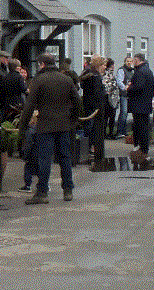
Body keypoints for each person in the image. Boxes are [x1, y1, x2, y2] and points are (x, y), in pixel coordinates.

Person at [18, 53, 83, 204]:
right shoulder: (66, 79)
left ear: (42, 64)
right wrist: (73, 120)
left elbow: (29, 106)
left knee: (44, 159)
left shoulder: (39, 80)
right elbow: (77, 102)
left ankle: (42, 192)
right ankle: (68, 190)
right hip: (64, 125)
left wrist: (22, 127)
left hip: (45, 125)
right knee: (65, 157)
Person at [78, 56, 109, 164]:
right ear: (98, 65)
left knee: (89, 126)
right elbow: (97, 93)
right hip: (94, 107)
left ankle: (89, 147)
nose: (105, 67)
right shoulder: (95, 77)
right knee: (91, 128)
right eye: (103, 65)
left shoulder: (89, 75)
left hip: (89, 104)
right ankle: (90, 148)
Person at [125, 53, 154, 153]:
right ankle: (143, 147)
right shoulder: (148, 71)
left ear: (137, 60)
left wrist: (129, 87)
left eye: (133, 60)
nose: (132, 63)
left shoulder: (140, 72)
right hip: (146, 103)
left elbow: (138, 87)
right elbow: (152, 88)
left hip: (139, 104)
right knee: (144, 126)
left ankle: (142, 148)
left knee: (140, 126)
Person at [110, 57, 132, 139]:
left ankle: (123, 131)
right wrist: (125, 87)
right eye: (127, 61)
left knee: (126, 113)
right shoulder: (121, 70)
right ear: (125, 62)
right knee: (124, 112)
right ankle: (119, 131)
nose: (129, 63)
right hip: (123, 94)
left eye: (130, 61)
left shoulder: (131, 71)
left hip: (129, 95)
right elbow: (119, 81)